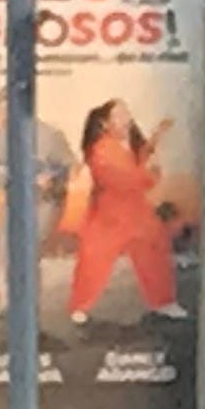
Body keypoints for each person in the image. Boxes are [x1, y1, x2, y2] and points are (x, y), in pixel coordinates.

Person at [65, 101, 179, 323]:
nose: (126, 118)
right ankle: (80, 305)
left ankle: (164, 302)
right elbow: (124, 178)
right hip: (109, 214)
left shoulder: (129, 145)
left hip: (137, 211)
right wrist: (149, 175)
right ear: (105, 123)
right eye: (119, 114)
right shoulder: (101, 148)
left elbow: (142, 161)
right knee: (94, 260)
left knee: (154, 253)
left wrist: (157, 136)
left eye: (127, 113)